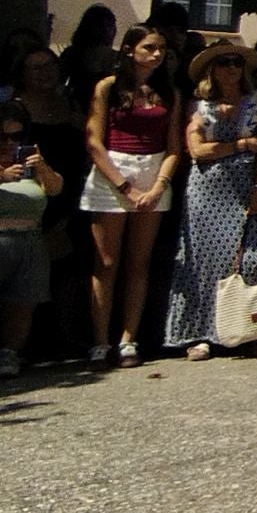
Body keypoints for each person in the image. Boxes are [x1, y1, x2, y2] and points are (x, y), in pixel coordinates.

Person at [164, 42, 257, 359]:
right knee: (206, 261)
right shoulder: (197, 106)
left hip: (247, 186)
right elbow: (197, 151)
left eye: (237, 62)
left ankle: (256, 332)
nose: (232, 68)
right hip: (206, 193)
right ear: (211, 69)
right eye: (224, 62)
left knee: (252, 259)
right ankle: (202, 333)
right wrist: (242, 144)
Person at [80, 26, 182, 368]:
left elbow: (173, 146)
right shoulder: (108, 87)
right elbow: (94, 141)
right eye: (149, 47)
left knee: (139, 263)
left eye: (161, 49)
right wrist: (125, 186)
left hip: (153, 171)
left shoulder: (168, 91)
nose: (156, 54)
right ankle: (99, 340)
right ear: (129, 49)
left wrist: (157, 187)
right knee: (106, 262)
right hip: (114, 170)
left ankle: (128, 339)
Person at [9, 45, 87, 360]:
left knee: (65, 270)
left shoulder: (68, 105)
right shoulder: (14, 110)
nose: (45, 72)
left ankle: (62, 337)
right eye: (36, 67)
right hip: (26, 199)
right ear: (22, 74)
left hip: (66, 194)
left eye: (50, 65)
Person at [0, 100, 64, 378]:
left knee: (23, 301)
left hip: (29, 239)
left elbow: (55, 189)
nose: (9, 142)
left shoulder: (27, 161)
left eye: (16, 136)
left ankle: (10, 353)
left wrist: (43, 168)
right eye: (3, 136)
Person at [60, 4, 118, 112]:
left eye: (110, 26)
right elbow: (58, 83)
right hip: (77, 109)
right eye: (101, 26)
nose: (106, 31)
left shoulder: (118, 57)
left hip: (108, 109)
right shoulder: (72, 53)